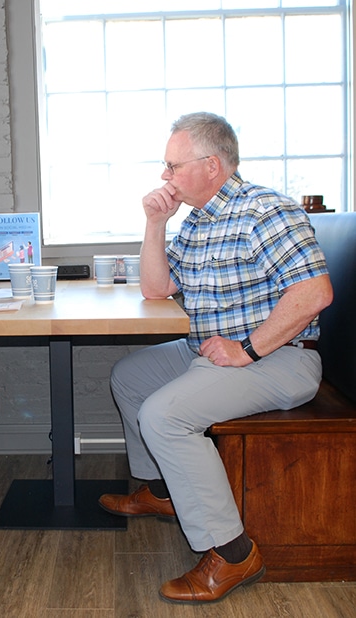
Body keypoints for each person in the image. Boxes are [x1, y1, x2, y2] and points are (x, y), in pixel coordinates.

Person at [99, 112, 333, 604]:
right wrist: (155, 223)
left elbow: (313, 293)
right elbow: (156, 288)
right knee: (130, 376)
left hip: (280, 357)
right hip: (211, 351)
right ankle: (163, 492)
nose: (164, 176)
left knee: (163, 416)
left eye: (172, 166)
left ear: (211, 165)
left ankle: (231, 552)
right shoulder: (198, 221)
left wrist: (246, 350)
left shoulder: (264, 210)